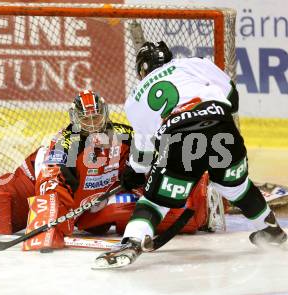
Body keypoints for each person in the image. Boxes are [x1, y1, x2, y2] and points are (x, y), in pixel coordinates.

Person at [95, 41, 287, 268]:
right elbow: (232, 99)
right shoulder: (193, 64)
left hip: (179, 138)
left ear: (141, 69)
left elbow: (145, 146)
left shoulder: (135, 97)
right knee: (238, 187)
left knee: (155, 201)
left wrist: (135, 171)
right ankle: (271, 231)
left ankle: (131, 242)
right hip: (222, 129)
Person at [0, 90, 211, 250]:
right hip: (29, 183)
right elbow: (50, 184)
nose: (92, 124)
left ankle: (197, 206)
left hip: (91, 203)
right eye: (85, 119)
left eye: (96, 117)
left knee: (129, 208)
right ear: (74, 118)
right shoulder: (65, 143)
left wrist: (139, 170)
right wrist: (48, 227)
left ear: (106, 114)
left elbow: (153, 151)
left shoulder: (124, 134)